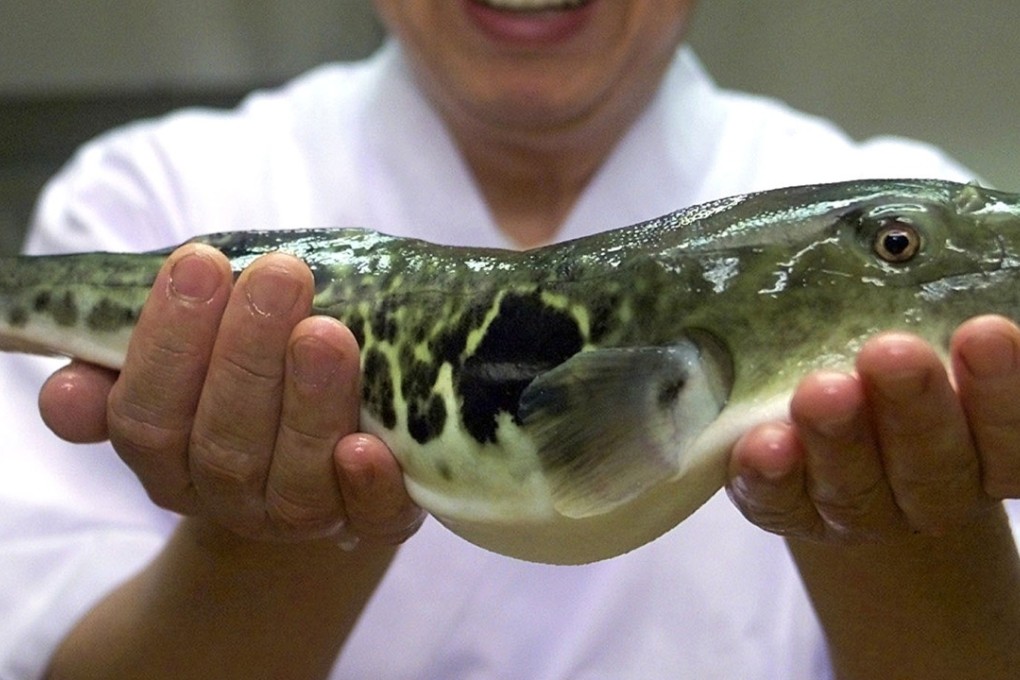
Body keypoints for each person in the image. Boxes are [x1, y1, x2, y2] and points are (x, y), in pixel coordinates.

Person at [2, 1, 1019, 677]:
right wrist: (280, 515)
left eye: (895, 247)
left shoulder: (904, 198)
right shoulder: (142, 199)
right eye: (896, 246)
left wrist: (900, 512)